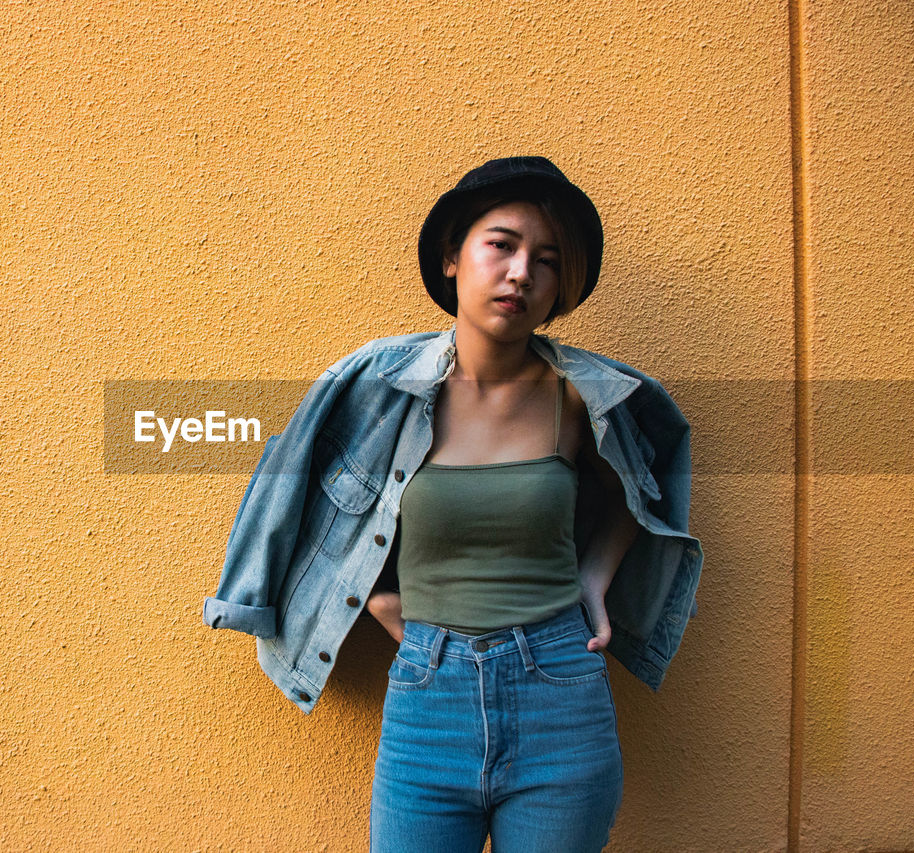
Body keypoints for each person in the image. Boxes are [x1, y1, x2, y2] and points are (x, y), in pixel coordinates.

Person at [203, 156, 702, 853]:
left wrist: (595, 574)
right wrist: (376, 597)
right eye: (502, 244)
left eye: (547, 261)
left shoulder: (580, 398)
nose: (522, 271)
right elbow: (298, 489)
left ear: (559, 287)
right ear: (451, 258)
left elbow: (637, 490)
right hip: (426, 699)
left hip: (561, 693)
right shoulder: (380, 387)